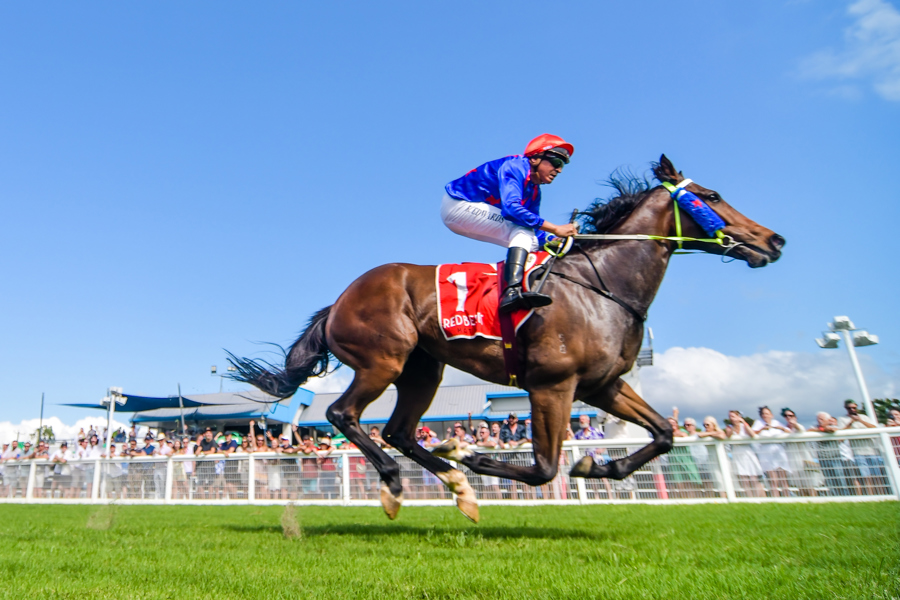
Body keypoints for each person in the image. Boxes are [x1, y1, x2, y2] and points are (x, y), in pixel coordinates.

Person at [442, 134, 577, 313]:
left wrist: (552, 239)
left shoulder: (534, 191)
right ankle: (511, 291)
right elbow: (512, 210)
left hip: (469, 215)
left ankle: (521, 288)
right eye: (556, 162)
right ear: (535, 158)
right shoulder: (516, 166)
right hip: (458, 205)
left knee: (531, 241)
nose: (558, 170)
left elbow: (533, 228)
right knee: (522, 230)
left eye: (562, 165)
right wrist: (555, 229)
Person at [836, 400, 887, 495]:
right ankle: (871, 496)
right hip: (858, 452)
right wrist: (851, 422)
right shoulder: (842, 419)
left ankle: (882, 495)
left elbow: (875, 428)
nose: (852, 410)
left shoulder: (864, 417)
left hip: (872, 451)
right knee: (866, 476)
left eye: (854, 407)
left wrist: (860, 420)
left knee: (877, 476)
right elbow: (841, 436)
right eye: (849, 408)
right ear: (846, 408)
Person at [780, 408, 823, 496]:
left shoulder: (799, 426)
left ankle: (814, 501)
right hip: (793, 461)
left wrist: (794, 424)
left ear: (795, 417)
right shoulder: (784, 429)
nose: (788, 417)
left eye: (791, 415)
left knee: (810, 485)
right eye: (786, 416)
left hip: (804, 459)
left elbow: (800, 430)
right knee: (800, 486)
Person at [751, 406, 792, 497]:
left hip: (778, 452)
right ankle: (775, 498)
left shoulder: (776, 423)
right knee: (773, 480)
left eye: (767, 413)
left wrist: (781, 428)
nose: (765, 415)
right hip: (766, 453)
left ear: (771, 415)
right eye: (763, 414)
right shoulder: (758, 423)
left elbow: (789, 432)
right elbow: (752, 433)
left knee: (783, 479)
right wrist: (762, 429)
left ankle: (787, 498)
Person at [726, 410, 765, 497]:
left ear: (738, 417)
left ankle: (759, 498)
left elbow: (752, 434)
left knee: (754, 478)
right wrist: (734, 427)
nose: (731, 418)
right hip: (737, 454)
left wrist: (743, 422)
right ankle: (750, 499)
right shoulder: (729, 427)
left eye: (733, 416)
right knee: (744, 480)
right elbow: (728, 436)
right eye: (730, 416)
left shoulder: (744, 426)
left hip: (748, 453)